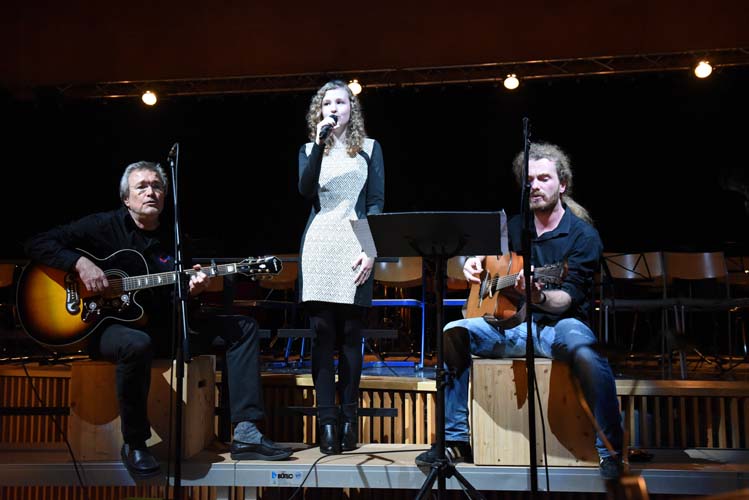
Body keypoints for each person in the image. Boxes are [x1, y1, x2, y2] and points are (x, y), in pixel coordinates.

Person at [24, 161, 292, 479]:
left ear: (165, 196)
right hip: (109, 329)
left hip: (161, 327)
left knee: (243, 328)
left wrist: (191, 292)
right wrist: (79, 263)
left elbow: (175, 301)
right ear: (126, 198)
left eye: (157, 186)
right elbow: (36, 242)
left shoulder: (176, 240)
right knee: (137, 344)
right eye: (141, 187)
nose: (150, 192)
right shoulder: (103, 226)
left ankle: (247, 432)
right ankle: (135, 443)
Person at [414, 142, 625, 480]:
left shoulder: (582, 236)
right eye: (529, 181)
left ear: (563, 184)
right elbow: (484, 259)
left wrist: (538, 296)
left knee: (587, 352)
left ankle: (610, 450)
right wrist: (473, 263)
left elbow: (567, 298)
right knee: (453, 332)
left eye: (544, 178)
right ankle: (456, 439)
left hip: (560, 326)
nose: (535, 186)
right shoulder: (512, 227)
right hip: (512, 325)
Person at [298, 80, 385, 454]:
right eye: (327, 103)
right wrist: (320, 144)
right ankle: (327, 423)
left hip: (355, 242)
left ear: (352, 108)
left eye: (341, 102)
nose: (334, 108)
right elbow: (305, 191)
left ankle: (349, 420)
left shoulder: (370, 148)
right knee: (322, 336)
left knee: (350, 336)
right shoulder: (308, 149)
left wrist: (370, 251)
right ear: (319, 111)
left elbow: (376, 203)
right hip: (319, 244)